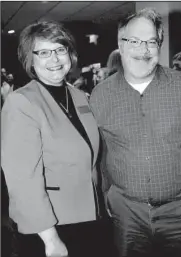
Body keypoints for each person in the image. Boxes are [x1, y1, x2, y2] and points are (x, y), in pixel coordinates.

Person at [90, 8, 181, 257]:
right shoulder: (100, 95)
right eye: (134, 41)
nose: (143, 50)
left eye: (151, 42)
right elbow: (100, 151)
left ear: (160, 44)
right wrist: (108, 195)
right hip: (127, 214)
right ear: (121, 44)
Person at [1, 20, 108, 257]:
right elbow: (22, 180)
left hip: (89, 215)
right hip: (49, 226)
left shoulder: (79, 96)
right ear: (31, 59)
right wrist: (50, 239)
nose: (55, 59)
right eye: (44, 52)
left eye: (60, 50)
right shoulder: (21, 102)